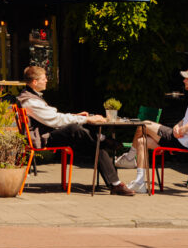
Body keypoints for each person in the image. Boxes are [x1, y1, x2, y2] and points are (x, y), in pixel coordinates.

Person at [17, 66, 135, 196]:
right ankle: (104, 141)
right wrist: (87, 120)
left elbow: (52, 115)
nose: (46, 81)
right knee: (75, 128)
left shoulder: (31, 97)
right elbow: (54, 120)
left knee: (95, 145)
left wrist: (76, 116)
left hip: (48, 133)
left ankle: (115, 183)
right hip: (43, 139)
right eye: (44, 79)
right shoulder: (30, 101)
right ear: (35, 82)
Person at [129, 66, 188, 192]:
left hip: (182, 142)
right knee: (142, 141)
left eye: (187, 79)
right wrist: (178, 125)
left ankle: (129, 158)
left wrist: (185, 127)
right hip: (180, 139)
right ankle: (140, 182)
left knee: (145, 125)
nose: (184, 81)